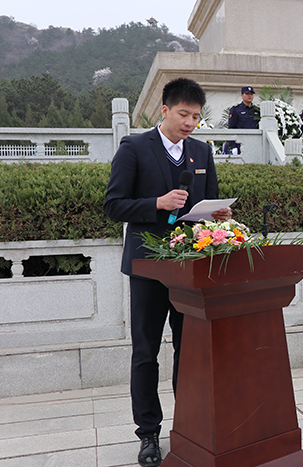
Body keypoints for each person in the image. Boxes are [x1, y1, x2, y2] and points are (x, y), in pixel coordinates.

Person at [104, 78, 231, 467]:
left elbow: (206, 202)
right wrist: (157, 203)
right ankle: (149, 434)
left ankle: (189, 427)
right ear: (164, 111)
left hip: (188, 269)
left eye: (195, 116)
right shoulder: (135, 148)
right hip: (147, 268)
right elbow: (114, 205)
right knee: (146, 352)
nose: (190, 123)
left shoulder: (201, 152)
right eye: (183, 114)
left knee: (188, 353)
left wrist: (218, 215)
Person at [227, 85, 260, 155]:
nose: (249, 96)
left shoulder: (256, 110)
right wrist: (233, 146)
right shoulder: (236, 110)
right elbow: (231, 128)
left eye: (251, 94)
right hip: (241, 143)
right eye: (247, 94)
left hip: (254, 143)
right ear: (242, 95)